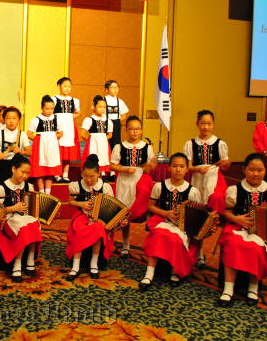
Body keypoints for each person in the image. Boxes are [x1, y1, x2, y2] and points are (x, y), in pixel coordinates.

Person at [217, 153, 267, 307]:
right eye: (252, 170)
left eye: (260, 170)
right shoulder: (234, 190)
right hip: (237, 228)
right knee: (233, 245)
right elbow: (226, 212)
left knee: (256, 248)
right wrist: (237, 219)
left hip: (261, 233)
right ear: (244, 170)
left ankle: (253, 287)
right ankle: (228, 289)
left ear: (265, 171)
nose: (255, 174)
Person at [139, 153, 202, 291]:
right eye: (174, 166)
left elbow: (197, 215)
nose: (178, 170)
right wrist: (165, 213)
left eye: (181, 166)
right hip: (163, 220)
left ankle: (175, 270)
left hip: (183, 226)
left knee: (176, 239)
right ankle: (149, 273)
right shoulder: (159, 186)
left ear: (187, 169)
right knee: (159, 235)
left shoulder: (193, 191)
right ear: (168, 168)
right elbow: (150, 206)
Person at [183, 109, 230, 266]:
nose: (206, 127)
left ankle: (205, 239)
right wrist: (197, 169)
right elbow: (188, 167)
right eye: (203, 123)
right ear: (197, 124)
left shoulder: (220, 143)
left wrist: (225, 163)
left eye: (209, 123)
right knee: (197, 213)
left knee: (213, 205)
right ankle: (199, 251)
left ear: (213, 125)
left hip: (214, 179)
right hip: (198, 179)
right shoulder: (190, 144)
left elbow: (226, 166)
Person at [66, 154, 117, 281]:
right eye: (85, 176)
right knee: (79, 228)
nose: (88, 180)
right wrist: (81, 204)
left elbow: (111, 207)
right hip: (82, 216)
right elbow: (70, 202)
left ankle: (94, 263)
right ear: (82, 173)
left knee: (99, 228)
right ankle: (76, 265)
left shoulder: (105, 187)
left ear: (99, 174)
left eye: (92, 176)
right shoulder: (76, 185)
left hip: (99, 218)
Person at [109, 116, 155, 258]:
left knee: (143, 208)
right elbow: (112, 165)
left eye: (137, 129)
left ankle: (151, 243)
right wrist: (124, 169)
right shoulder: (119, 146)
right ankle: (126, 243)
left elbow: (151, 166)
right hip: (124, 181)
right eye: (132, 129)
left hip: (140, 180)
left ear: (141, 130)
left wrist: (149, 166)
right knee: (125, 212)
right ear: (126, 130)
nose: (134, 132)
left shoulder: (147, 147)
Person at [0, 154, 42, 282]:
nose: (25, 176)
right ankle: (17, 264)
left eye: (27, 173)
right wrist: (12, 208)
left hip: (25, 218)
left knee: (34, 225)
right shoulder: (2, 188)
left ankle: (30, 259)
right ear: (13, 169)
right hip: (8, 219)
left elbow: (32, 207)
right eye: (22, 172)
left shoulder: (28, 187)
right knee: (24, 229)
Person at [0, 106, 31, 191]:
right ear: (4, 120)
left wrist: (21, 151)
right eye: (8, 118)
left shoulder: (22, 134)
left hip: (15, 169)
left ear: (19, 120)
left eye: (14, 118)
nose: (11, 121)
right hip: (0, 167)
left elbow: (29, 152)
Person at [27, 95, 63, 194]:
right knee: (40, 171)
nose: (49, 111)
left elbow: (61, 133)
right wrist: (40, 140)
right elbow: (29, 134)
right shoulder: (36, 119)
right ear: (42, 108)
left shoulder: (56, 119)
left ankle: (48, 193)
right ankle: (41, 192)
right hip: (40, 148)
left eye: (51, 108)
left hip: (52, 147)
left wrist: (53, 138)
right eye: (47, 108)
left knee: (50, 171)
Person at [52, 77, 81, 182]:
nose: (67, 88)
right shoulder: (54, 99)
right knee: (58, 152)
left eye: (69, 86)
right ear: (59, 86)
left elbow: (78, 112)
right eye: (65, 86)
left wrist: (69, 117)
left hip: (69, 128)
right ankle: (57, 174)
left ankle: (65, 174)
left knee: (68, 153)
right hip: (58, 128)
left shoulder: (75, 101)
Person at [80, 95, 113, 176]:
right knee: (93, 158)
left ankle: (103, 174)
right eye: (100, 107)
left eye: (104, 107)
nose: (102, 109)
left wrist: (102, 139)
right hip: (93, 144)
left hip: (103, 144)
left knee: (103, 157)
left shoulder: (108, 121)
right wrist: (91, 140)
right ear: (94, 107)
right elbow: (82, 134)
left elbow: (110, 135)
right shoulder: (89, 119)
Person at [103, 79, 129, 150]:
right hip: (105, 123)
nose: (115, 89)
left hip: (116, 124)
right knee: (105, 142)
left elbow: (124, 115)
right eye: (112, 87)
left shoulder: (120, 101)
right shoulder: (102, 100)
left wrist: (116, 122)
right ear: (106, 90)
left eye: (116, 87)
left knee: (116, 143)